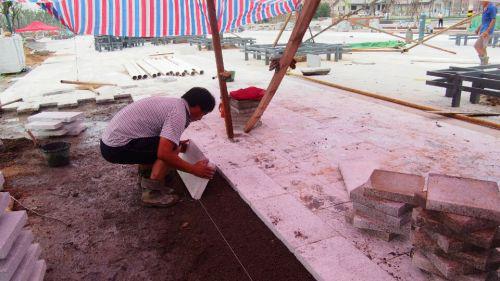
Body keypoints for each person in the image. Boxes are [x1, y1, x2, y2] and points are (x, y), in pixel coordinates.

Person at [100, 87, 217, 207]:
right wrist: (194, 169)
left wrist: (176, 142)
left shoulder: (175, 104)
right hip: (116, 147)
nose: (201, 118)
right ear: (197, 107)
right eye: (203, 113)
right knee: (170, 150)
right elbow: (164, 153)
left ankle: (145, 179)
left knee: (170, 145)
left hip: (111, 143)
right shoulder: (178, 114)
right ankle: (152, 193)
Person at [474, 1, 497, 65]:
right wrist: (478, 29)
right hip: (483, 30)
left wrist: (487, 31)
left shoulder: (492, 7)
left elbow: (493, 20)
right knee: (482, 47)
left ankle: (485, 62)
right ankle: (484, 62)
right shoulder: (485, 8)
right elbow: (484, 21)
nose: (480, 2)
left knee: (478, 46)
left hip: (487, 31)